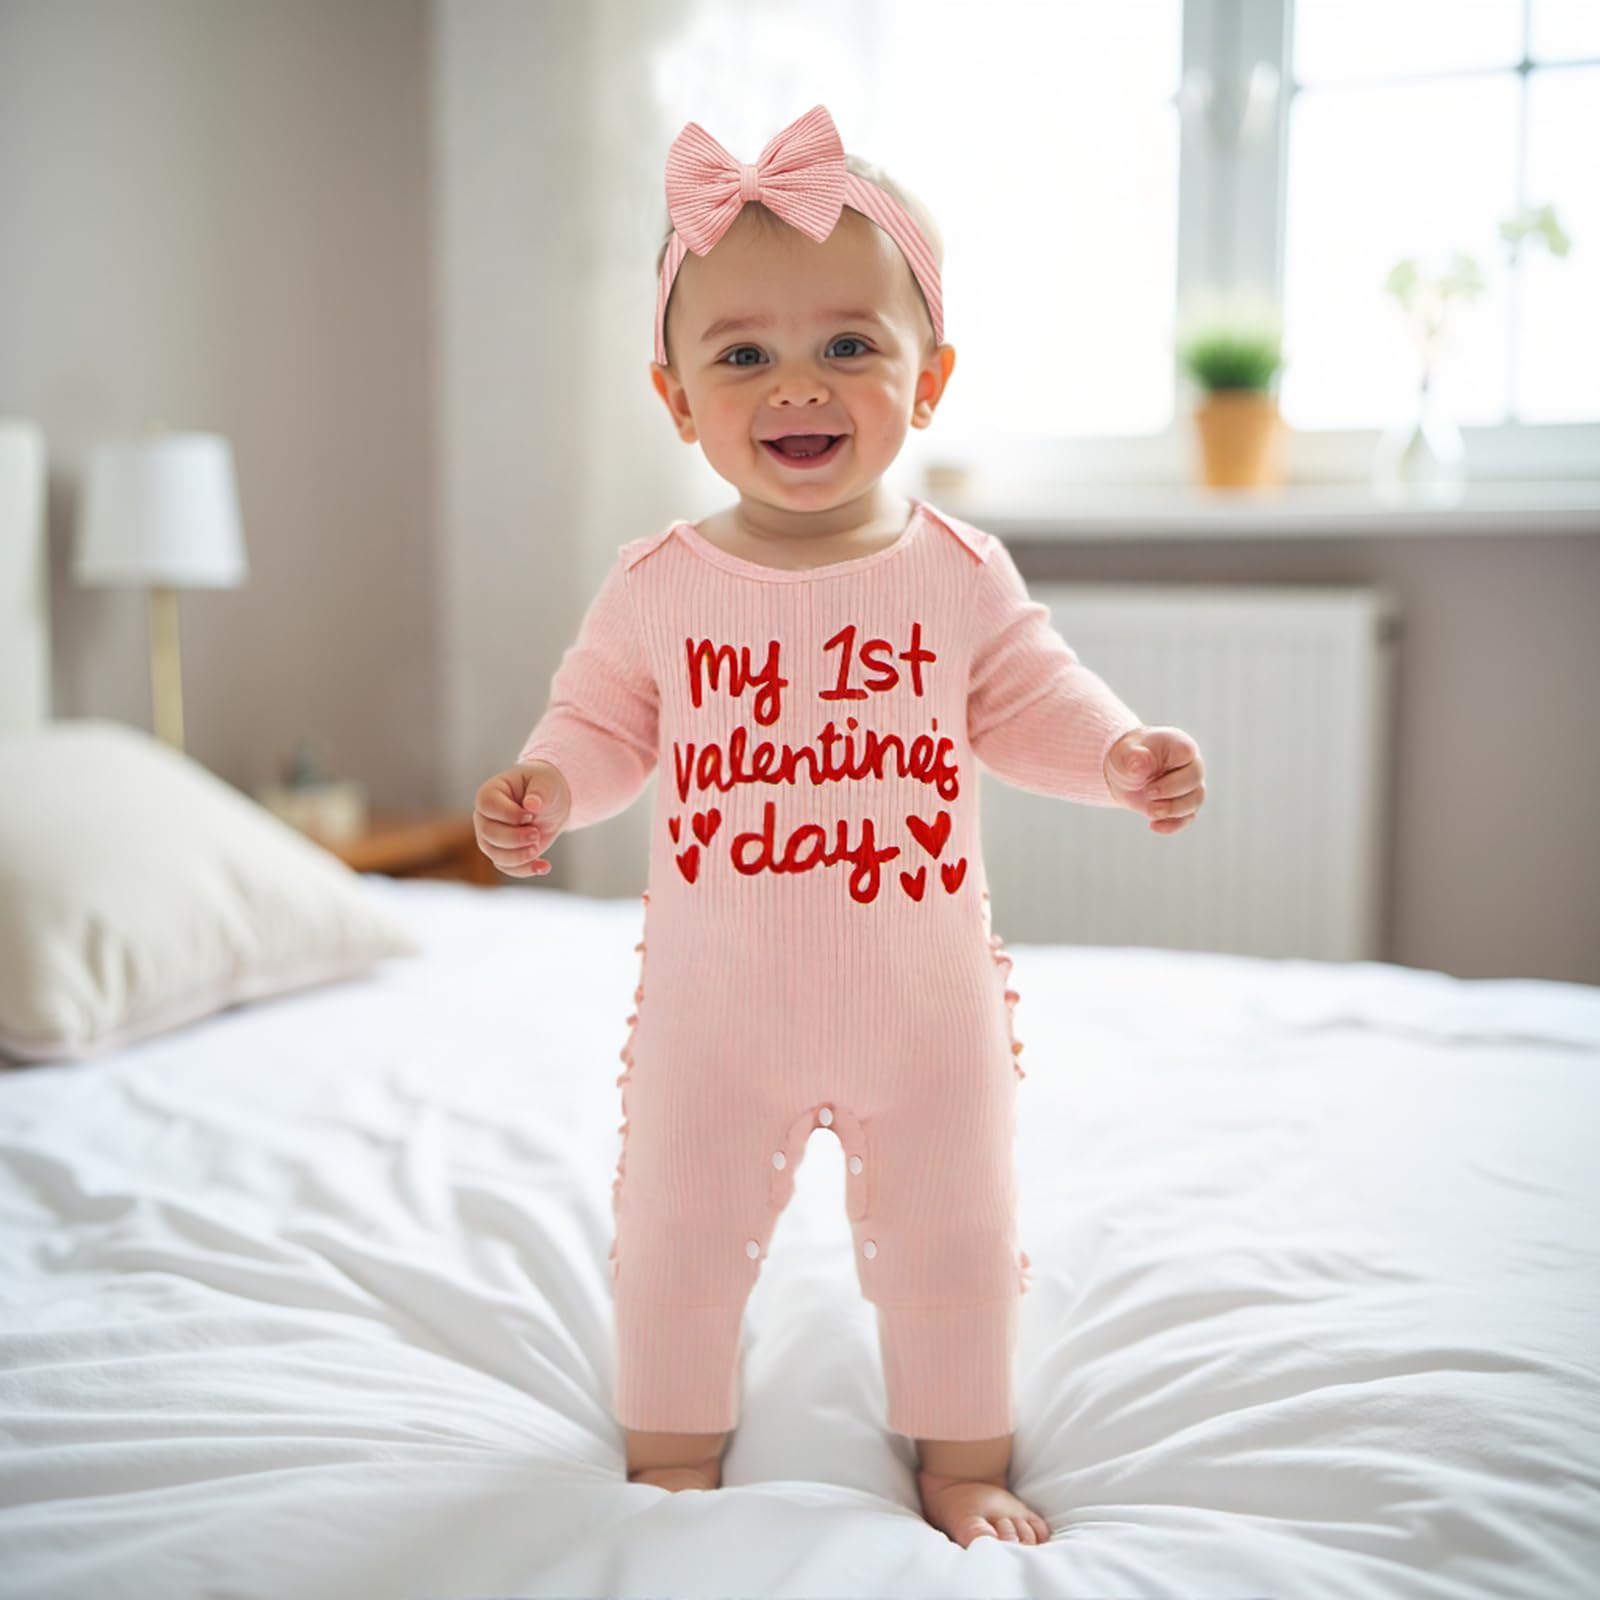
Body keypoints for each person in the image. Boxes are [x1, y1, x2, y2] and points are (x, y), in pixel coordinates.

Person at [473, 105, 1207, 1549]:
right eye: (741, 354)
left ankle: (962, 1462)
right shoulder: (659, 586)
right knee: (677, 1236)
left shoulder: (956, 572)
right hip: (713, 1017)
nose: (795, 384)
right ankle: (672, 1452)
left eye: (849, 344)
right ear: (676, 399)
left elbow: (1031, 697)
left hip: (922, 1010)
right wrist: (549, 785)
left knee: (955, 1238)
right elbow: (603, 723)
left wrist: (1119, 754)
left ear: (928, 380)